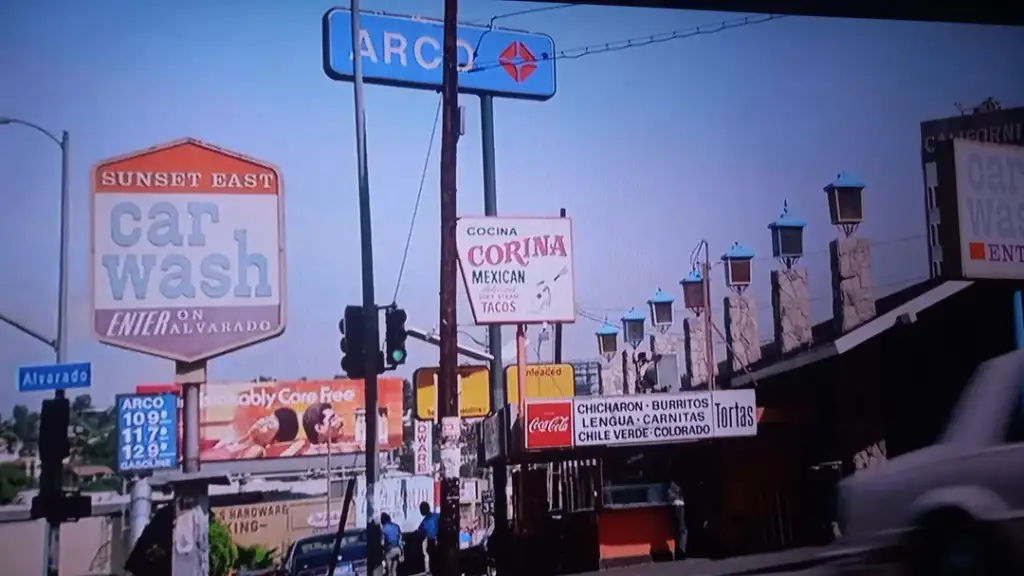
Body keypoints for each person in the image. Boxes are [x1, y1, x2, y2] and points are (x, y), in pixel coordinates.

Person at [417, 501, 439, 573]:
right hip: (438, 540)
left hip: (432, 542)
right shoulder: (437, 516)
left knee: (432, 561)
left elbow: (419, 530)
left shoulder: (425, 521)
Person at [668, 480, 687, 560]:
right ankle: (681, 551)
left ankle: (678, 550)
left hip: (674, 505)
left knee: (677, 529)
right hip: (679, 505)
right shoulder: (677, 484)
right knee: (682, 529)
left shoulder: (671, 483)